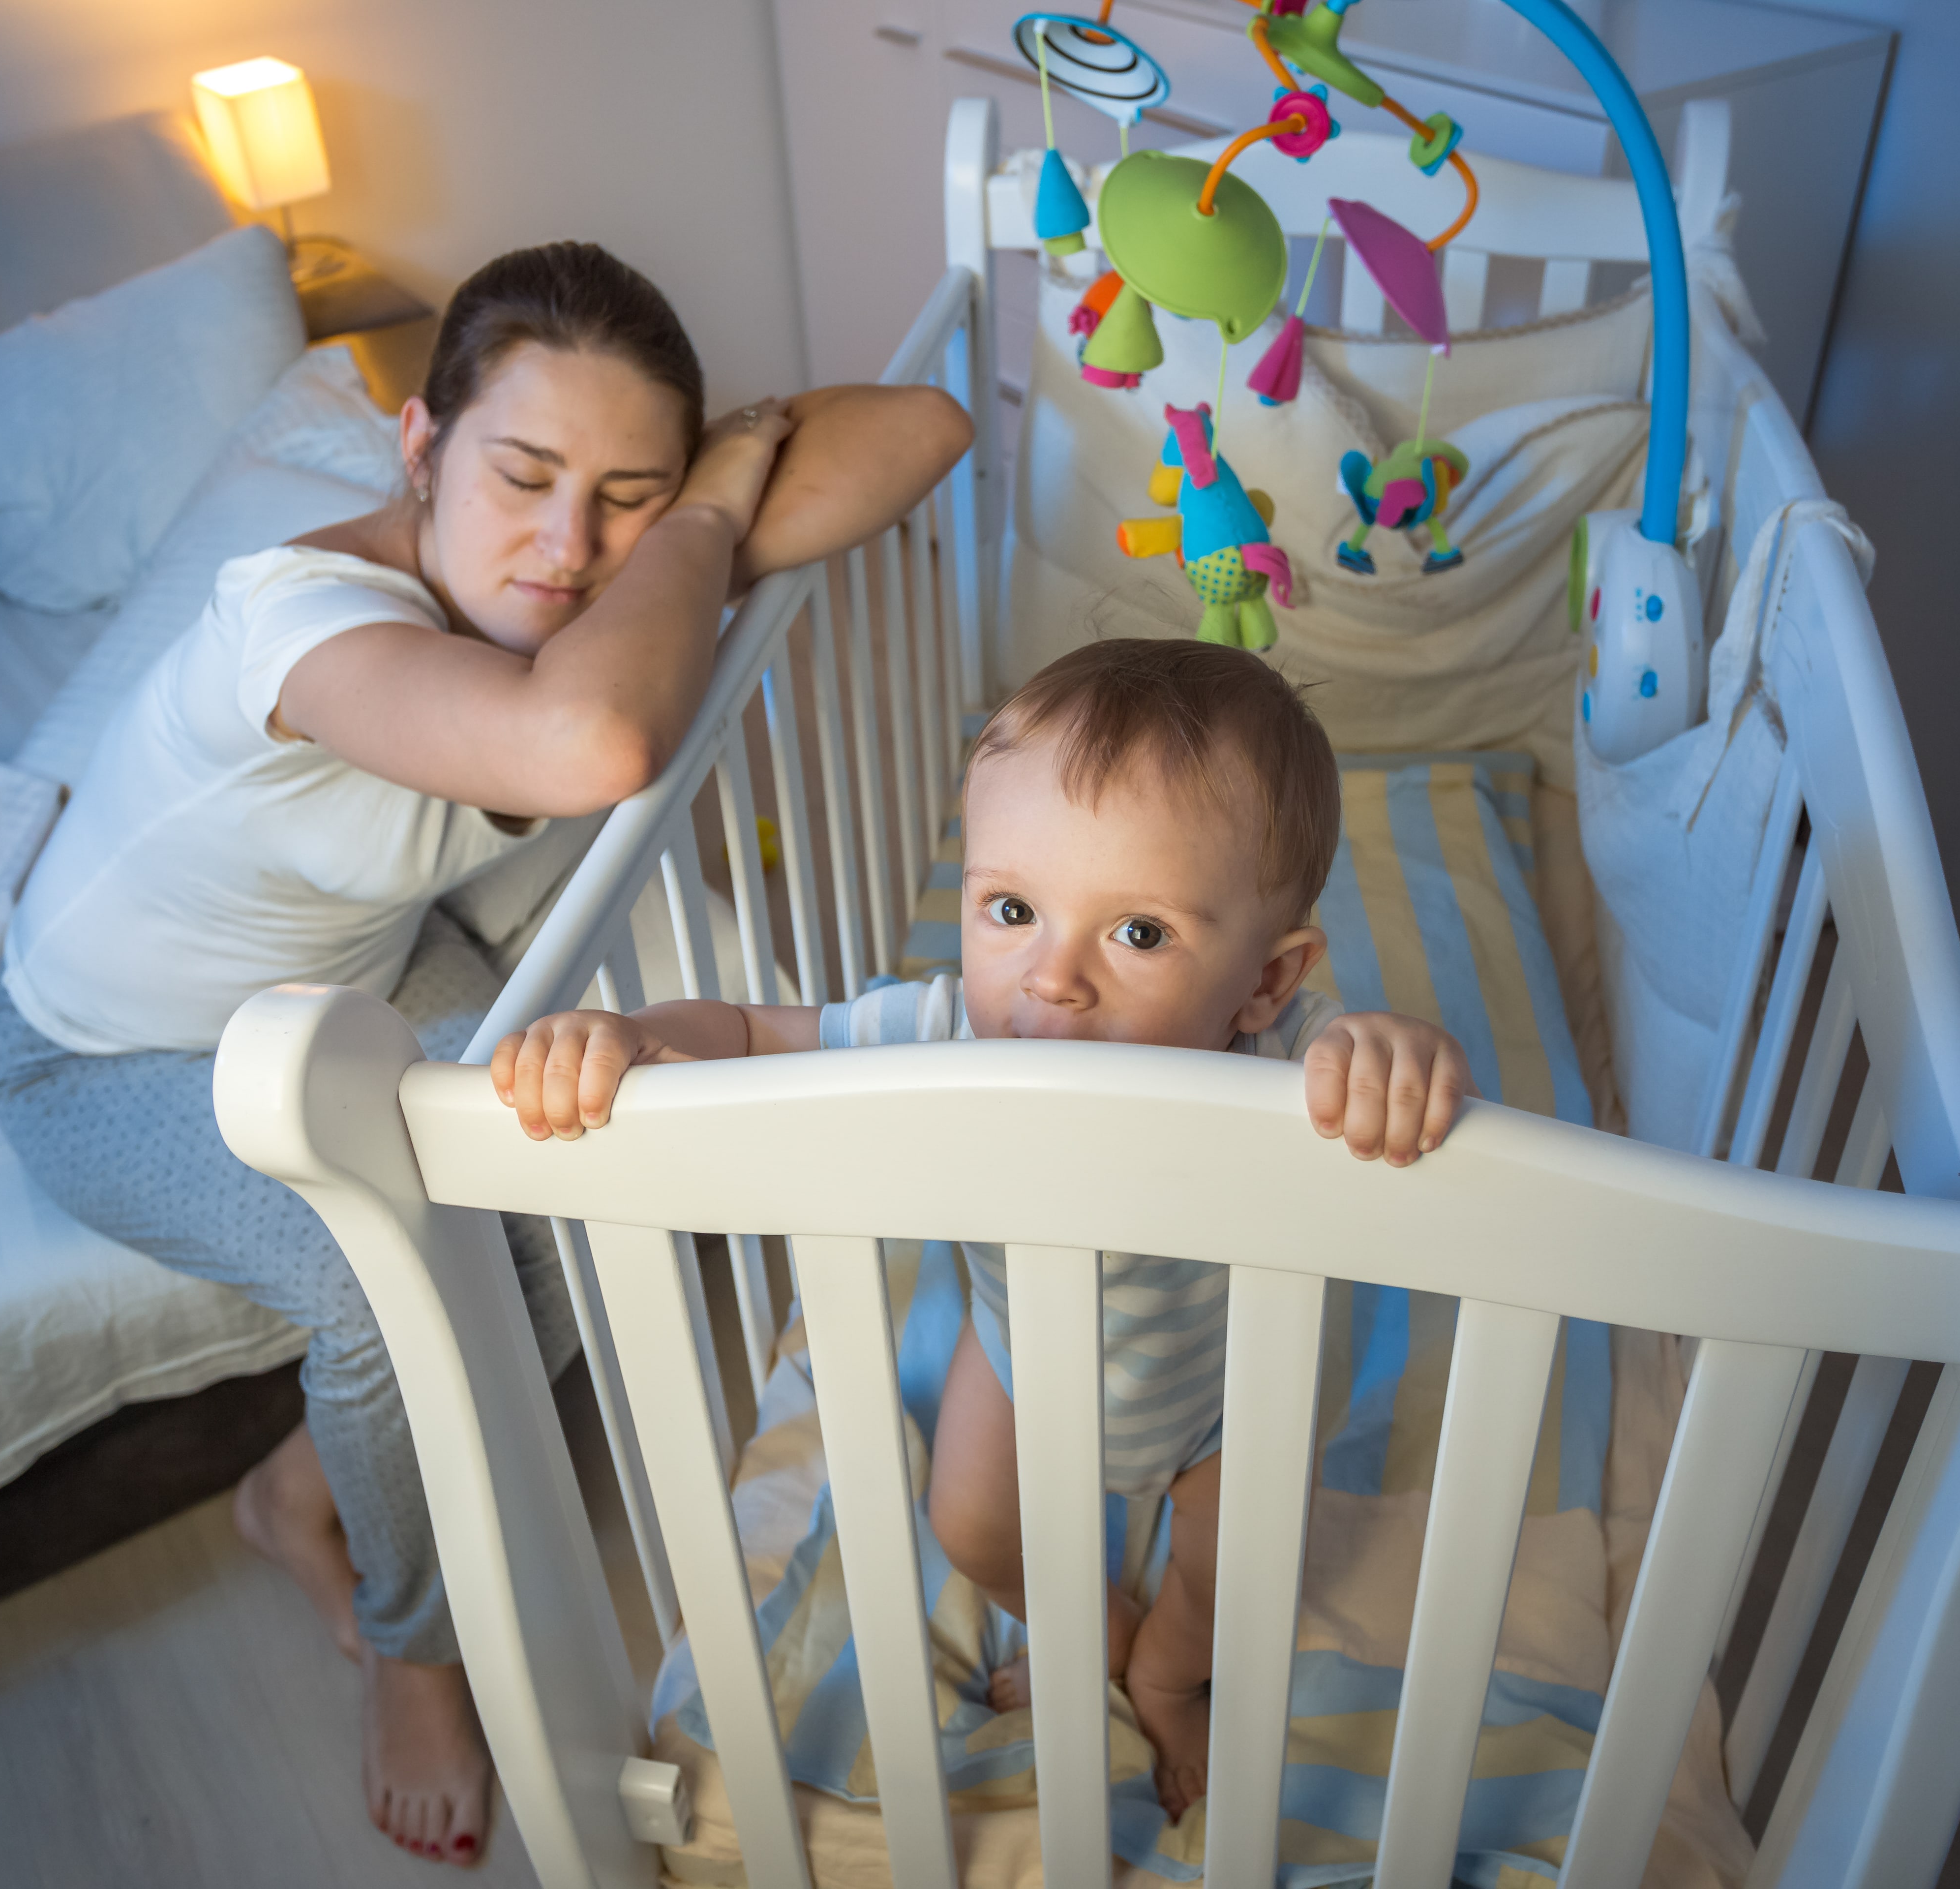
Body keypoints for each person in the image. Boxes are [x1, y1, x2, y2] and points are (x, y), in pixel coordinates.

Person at [0, 240, 970, 1867]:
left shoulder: (582, 567)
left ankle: (300, 1483)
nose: (567, 549)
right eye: (520, 474)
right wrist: (710, 507)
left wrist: (703, 486)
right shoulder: (298, 623)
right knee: (389, 1275)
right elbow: (590, 738)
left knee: (578, 1144)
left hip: (346, 971)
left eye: (621, 495)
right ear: (419, 447)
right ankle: (413, 1641)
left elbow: (927, 423)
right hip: (113, 1053)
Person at [491, 637, 1473, 1821]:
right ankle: (1092, 1618)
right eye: (1013, 909)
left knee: (1238, 1582)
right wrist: (639, 1034)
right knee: (970, 1526)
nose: (1051, 980)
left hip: (1227, 1395)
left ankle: (1162, 1676)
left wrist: (1398, 1055)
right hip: (1019, 1365)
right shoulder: (952, 1029)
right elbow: (753, 1033)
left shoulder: (1281, 1056)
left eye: (1141, 933)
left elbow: (1370, 1070)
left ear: (1264, 980)